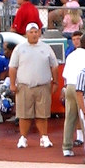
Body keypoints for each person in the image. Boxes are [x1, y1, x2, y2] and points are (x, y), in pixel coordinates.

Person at [9, 21, 59, 149]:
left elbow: (54, 66)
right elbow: (13, 67)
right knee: (24, 114)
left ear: (39, 33)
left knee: (42, 114)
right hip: (24, 85)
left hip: (43, 85)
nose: (34, 34)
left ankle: (44, 137)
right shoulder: (19, 48)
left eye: (36, 32)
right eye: (31, 32)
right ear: (26, 34)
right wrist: (12, 84)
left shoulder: (46, 48)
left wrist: (55, 82)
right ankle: (23, 138)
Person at [61, 30, 85, 156]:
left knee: (70, 118)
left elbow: (65, 75)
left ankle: (66, 147)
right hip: (81, 88)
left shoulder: (71, 55)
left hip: (69, 86)